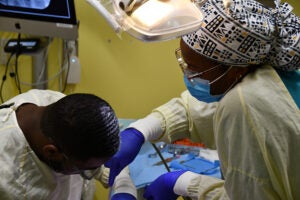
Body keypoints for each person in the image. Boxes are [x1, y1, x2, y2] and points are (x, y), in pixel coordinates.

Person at [104, 0, 300, 199]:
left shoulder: (245, 104)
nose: (189, 74)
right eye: (185, 63)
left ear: (236, 70)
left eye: (196, 68)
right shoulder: (270, 71)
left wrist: (184, 183)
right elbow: (197, 110)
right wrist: (140, 130)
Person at [0, 89, 137, 200]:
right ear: (51, 152)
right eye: (84, 168)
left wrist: (122, 183)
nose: (90, 171)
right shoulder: (6, 178)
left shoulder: (60, 105)